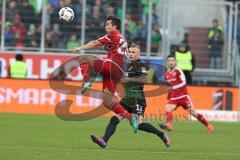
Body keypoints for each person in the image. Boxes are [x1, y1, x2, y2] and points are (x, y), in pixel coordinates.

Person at [90, 43, 170, 148]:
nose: (131, 54)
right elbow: (123, 80)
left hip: (138, 98)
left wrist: (127, 80)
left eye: (133, 52)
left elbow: (144, 79)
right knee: (114, 119)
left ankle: (161, 134)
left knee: (138, 124)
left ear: (138, 54)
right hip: (127, 98)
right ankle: (104, 140)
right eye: (130, 52)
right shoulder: (127, 65)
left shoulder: (141, 65)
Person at [72, 16, 138, 132]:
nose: (105, 27)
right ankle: (130, 117)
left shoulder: (114, 34)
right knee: (107, 101)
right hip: (118, 71)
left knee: (83, 58)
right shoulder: (121, 37)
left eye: (108, 24)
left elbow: (94, 42)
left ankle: (87, 81)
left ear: (114, 26)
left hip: (113, 65)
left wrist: (80, 47)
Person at [159, 55, 214, 133]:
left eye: (172, 60)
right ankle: (169, 125)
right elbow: (170, 87)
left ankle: (209, 126)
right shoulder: (166, 75)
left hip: (183, 96)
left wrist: (173, 86)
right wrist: (169, 95)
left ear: (175, 62)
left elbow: (184, 82)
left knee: (194, 113)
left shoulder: (178, 71)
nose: (171, 62)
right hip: (174, 98)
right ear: (167, 62)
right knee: (167, 108)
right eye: (169, 61)